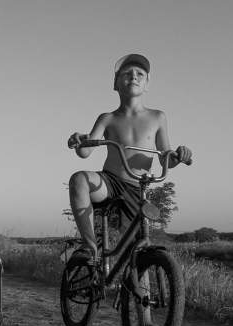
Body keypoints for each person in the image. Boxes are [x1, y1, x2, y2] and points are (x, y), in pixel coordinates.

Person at [67, 53, 192, 263]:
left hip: (137, 187)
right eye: (126, 73)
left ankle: (140, 281)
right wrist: (79, 142)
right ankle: (89, 246)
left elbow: (166, 158)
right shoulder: (107, 118)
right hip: (109, 182)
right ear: (115, 84)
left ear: (147, 84)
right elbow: (85, 152)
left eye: (140, 74)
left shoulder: (157, 117)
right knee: (79, 179)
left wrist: (179, 156)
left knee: (135, 252)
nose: (133, 76)